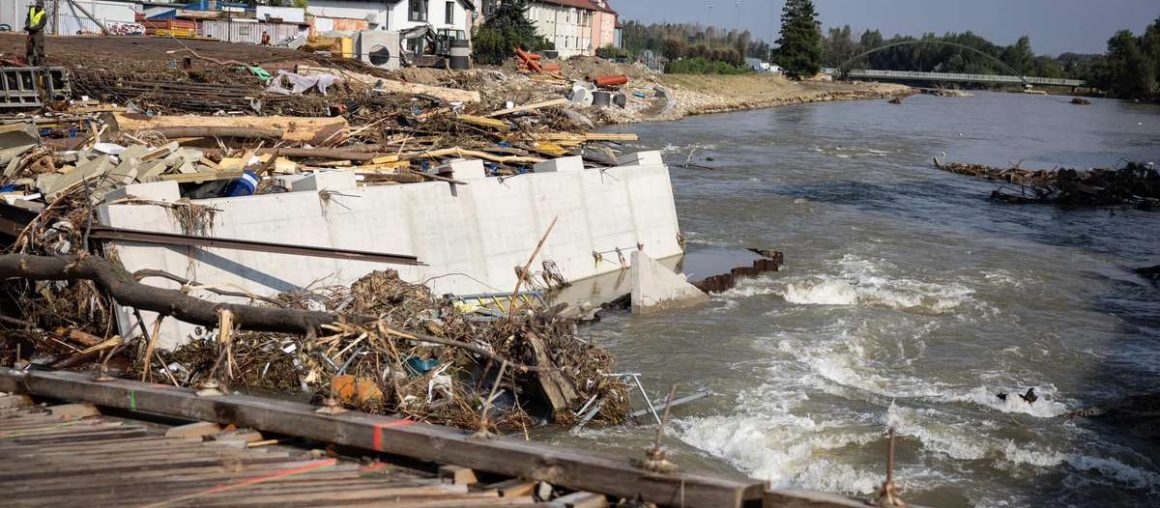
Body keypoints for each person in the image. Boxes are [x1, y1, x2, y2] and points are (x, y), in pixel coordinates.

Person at [24, 0, 47, 66]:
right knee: (29, 46)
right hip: (31, 31)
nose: (38, 8)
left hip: (38, 32)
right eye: (37, 6)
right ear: (36, 5)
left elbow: (41, 24)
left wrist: (32, 28)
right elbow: (28, 18)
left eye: (39, 7)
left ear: (41, 7)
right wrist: (27, 25)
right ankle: (29, 61)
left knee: (39, 47)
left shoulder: (43, 14)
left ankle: (41, 62)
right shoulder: (31, 10)